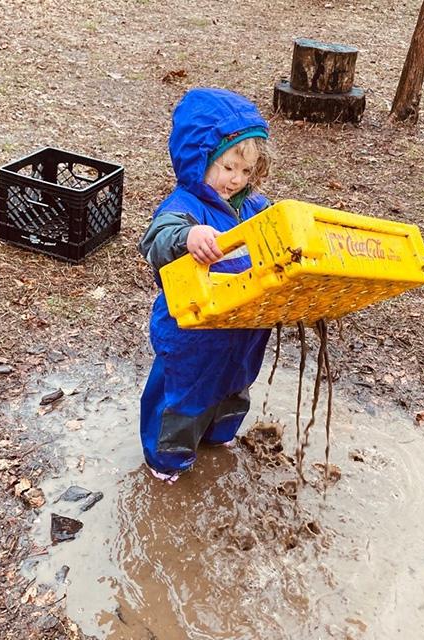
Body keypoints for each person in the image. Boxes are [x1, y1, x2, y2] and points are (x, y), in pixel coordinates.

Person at [138, 87, 273, 483]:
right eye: (228, 167)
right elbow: (157, 239)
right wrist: (188, 237)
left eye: (246, 171)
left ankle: (219, 436)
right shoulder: (184, 207)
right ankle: (166, 462)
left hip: (244, 326)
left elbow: (273, 231)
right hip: (194, 331)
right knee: (182, 397)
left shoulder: (251, 207)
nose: (236, 180)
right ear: (201, 159)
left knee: (234, 384)